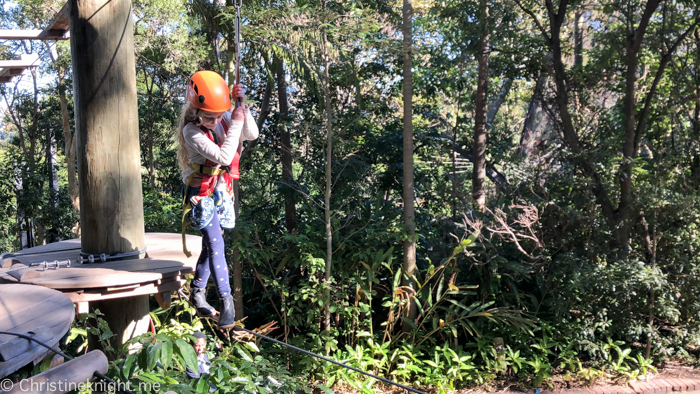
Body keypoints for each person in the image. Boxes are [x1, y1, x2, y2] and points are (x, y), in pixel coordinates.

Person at [176, 70, 259, 328]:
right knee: (216, 244)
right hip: (201, 193)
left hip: (220, 189)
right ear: (195, 112)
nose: (215, 121)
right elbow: (223, 157)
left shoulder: (223, 117)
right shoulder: (192, 131)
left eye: (217, 116)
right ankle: (226, 302)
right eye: (209, 118)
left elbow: (252, 134)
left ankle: (198, 291)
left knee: (212, 243)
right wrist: (233, 120)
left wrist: (241, 108)